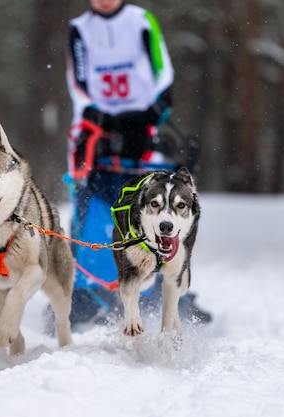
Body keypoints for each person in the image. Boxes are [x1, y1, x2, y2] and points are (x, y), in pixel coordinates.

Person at [60, 0, 212, 331]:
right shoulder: (80, 30)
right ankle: (84, 295)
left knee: (159, 212)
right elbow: (79, 86)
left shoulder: (142, 21)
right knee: (92, 212)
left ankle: (172, 293)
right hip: (97, 134)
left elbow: (164, 76)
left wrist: (149, 114)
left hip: (145, 134)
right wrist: (102, 120)